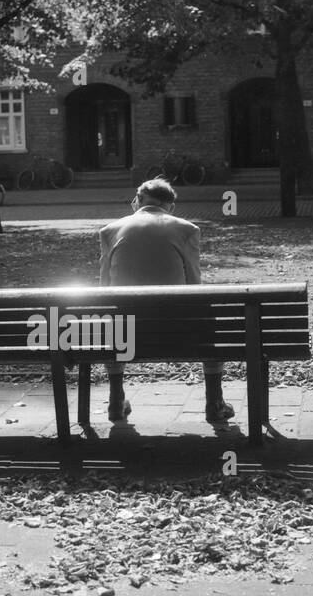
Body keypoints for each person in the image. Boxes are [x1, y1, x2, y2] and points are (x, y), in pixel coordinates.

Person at [98, 178, 234, 424]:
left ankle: (116, 398)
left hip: (124, 333)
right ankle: (215, 401)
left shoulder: (109, 231)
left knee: (111, 322)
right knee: (212, 324)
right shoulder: (187, 229)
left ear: (137, 201)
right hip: (176, 331)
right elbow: (195, 286)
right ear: (170, 206)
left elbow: (103, 287)